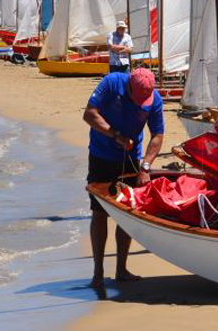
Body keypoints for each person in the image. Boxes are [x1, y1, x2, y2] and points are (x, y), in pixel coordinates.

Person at [82, 67, 164, 298]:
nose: (142, 104)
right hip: (101, 156)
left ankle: (121, 269)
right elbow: (89, 114)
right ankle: (98, 273)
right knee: (99, 213)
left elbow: (157, 134)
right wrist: (114, 134)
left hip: (130, 160)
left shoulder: (154, 99)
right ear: (129, 86)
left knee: (126, 212)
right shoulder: (111, 83)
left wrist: (146, 165)